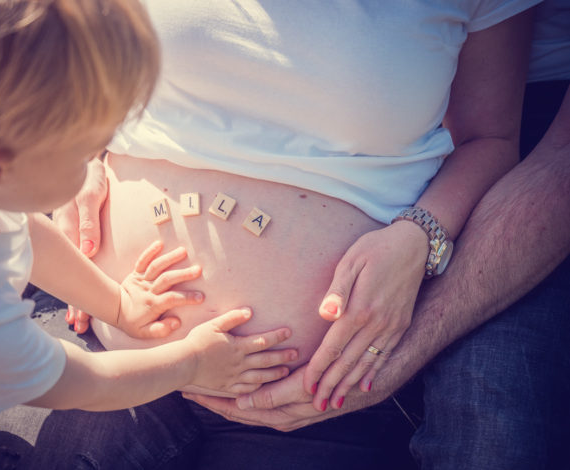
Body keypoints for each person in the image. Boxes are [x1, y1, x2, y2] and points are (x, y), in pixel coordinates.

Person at [49, 1, 540, 468]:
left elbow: (490, 141)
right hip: (110, 355)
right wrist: (76, 154)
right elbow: (67, 66)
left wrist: (422, 234)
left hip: (308, 402)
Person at [0, 2, 296, 469]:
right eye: (84, 153)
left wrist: (116, 304)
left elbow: (22, 228)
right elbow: (81, 384)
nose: (97, 158)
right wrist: (191, 361)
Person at [183, 3, 570, 469]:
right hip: (115, 341)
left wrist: (420, 242)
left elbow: (509, 147)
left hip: (535, 125)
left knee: (492, 422)